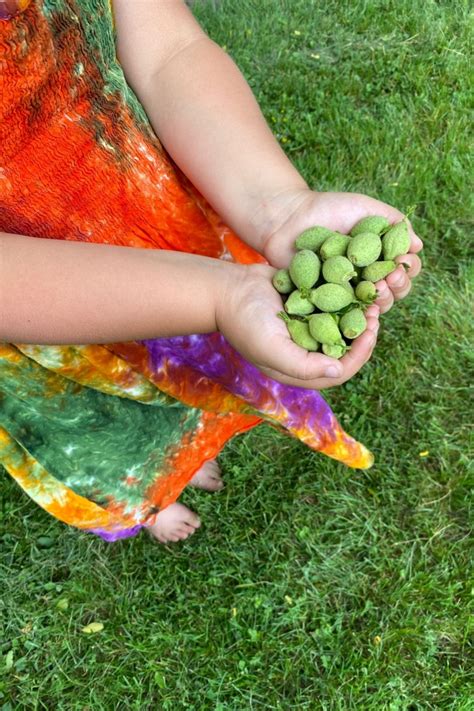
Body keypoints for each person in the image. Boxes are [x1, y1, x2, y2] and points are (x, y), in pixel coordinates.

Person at [0, 0, 422, 544]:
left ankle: (191, 451)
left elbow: (169, 50)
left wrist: (279, 207)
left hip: (163, 219)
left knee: (200, 393)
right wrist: (218, 298)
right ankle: (152, 502)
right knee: (123, 439)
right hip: (52, 317)